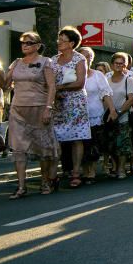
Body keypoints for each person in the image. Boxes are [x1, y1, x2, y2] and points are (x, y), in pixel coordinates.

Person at [0, 32, 59, 199]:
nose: (24, 45)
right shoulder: (17, 63)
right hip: (18, 109)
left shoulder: (45, 62)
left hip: (39, 108)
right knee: (19, 149)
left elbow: (52, 86)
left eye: (29, 42)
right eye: (22, 43)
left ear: (37, 45)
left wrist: (49, 107)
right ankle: (21, 186)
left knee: (44, 148)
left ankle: (45, 182)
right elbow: (4, 84)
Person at [51, 26, 90, 188]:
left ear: (72, 43)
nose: (59, 42)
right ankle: (53, 174)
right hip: (58, 104)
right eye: (59, 39)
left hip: (75, 103)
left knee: (76, 138)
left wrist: (60, 88)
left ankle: (76, 172)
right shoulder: (53, 59)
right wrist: (53, 92)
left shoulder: (79, 59)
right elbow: (49, 81)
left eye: (63, 40)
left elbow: (80, 82)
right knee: (55, 138)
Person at [79, 47, 114, 184]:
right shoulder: (72, 74)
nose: (84, 59)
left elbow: (106, 93)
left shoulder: (98, 75)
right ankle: (82, 170)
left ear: (91, 59)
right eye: (81, 56)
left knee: (92, 144)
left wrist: (112, 110)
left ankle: (91, 172)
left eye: (87, 57)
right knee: (80, 144)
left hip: (94, 114)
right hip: (78, 116)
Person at [107, 52, 133, 179]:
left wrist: (118, 112)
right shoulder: (106, 78)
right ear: (112, 64)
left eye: (122, 63)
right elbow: (103, 95)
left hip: (123, 116)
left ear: (125, 65)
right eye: (116, 63)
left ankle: (121, 168)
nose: (119, 65)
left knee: (123, 143)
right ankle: (114, 166)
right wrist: (111, 112)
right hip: (108, 116)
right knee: (110, 143)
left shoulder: (128, 80)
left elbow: (131, 99)